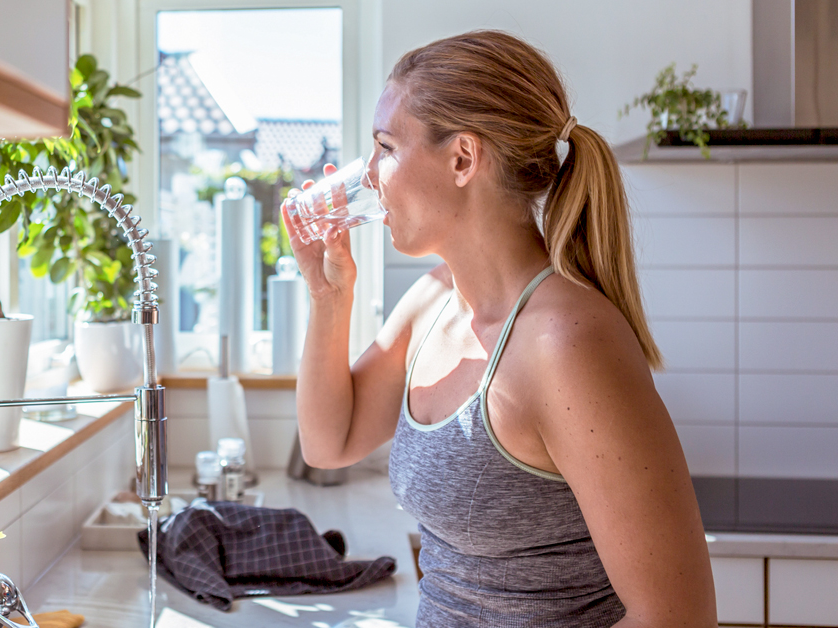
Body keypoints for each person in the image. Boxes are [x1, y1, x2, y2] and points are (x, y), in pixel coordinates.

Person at [282, 31, 716, 627]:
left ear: (463, 158)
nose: (372, 177)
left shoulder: (566, 343)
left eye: (385, 147)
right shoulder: (434, 299)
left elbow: (677, 617)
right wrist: (328, 298)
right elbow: (329, 443)